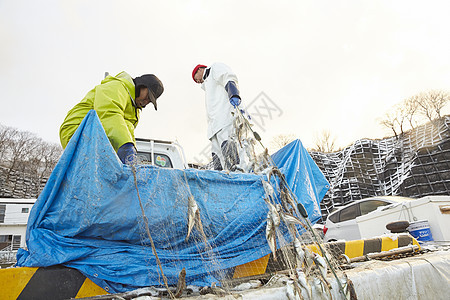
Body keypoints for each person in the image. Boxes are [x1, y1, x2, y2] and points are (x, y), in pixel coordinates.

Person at [59, 71, 164, 165]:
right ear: (142, 85)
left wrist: (133, 154)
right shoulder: (117, 86)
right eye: (147, 96)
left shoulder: (134, 109)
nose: (146, 102)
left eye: (150, 101)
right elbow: (109, 114)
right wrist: (126, 146)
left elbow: (127, 131)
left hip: (95, 135)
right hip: (77, 129)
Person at [192, 63, 245, 171]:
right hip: (214, 127)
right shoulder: (208, 86)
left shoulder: (215, 69)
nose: (196, 81)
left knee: (231, 153)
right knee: (218, 160)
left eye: (195, 77)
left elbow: (228, 77)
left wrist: (233, 93)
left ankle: (238, 176)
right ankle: (222, 181)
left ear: (200, 69)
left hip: (225, 119)